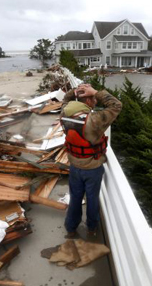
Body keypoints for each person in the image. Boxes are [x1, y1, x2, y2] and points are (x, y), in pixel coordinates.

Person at [60, 83, 122, 238]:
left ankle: (71, 227)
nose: (95, 101)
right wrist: (95, 91)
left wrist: (75, 91)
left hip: (74, 166)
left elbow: (65, 100)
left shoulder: (64, 113)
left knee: (75, 198)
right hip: (92, 168)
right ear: (88, 101)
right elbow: (116, 105)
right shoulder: (94, 119)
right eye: (93, 99)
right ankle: (92, 228)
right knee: (92, 199)